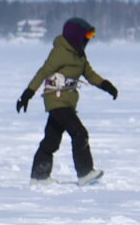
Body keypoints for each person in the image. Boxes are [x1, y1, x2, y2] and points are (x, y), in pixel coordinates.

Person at [17, 16, 116, 183]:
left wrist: (106, 85)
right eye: (87, 36)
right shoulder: (60, 52)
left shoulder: (79, 55)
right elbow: (43, 72)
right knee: (79, 133)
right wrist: (27, 94)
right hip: (56, 101)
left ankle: (39, 177)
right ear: (77, 36)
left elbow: (89, 74)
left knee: (51, 140)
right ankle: (85, 173)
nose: (88, 40)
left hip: (67, 102)